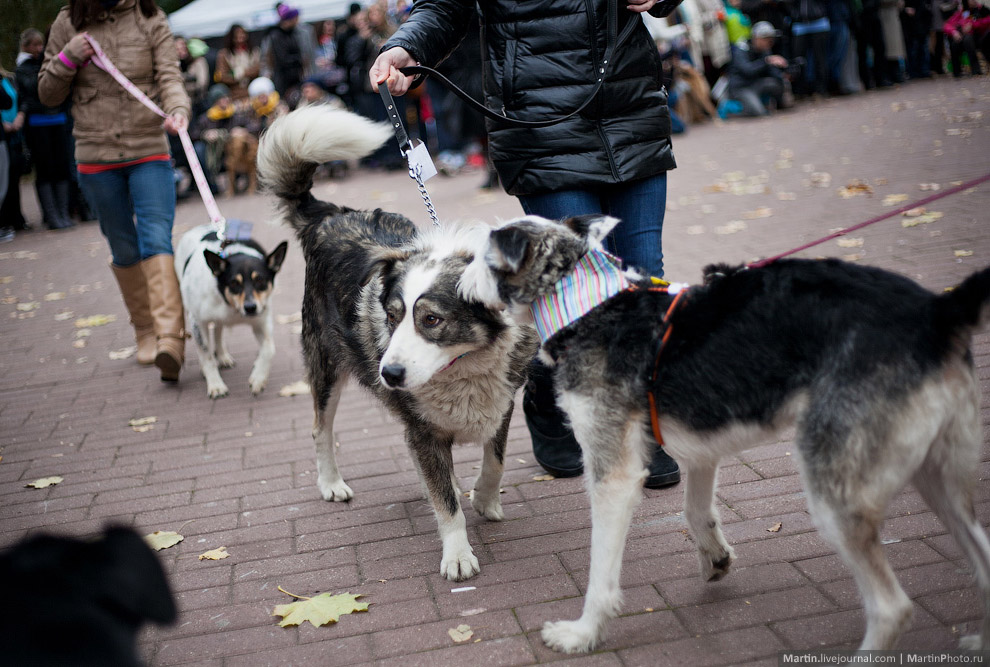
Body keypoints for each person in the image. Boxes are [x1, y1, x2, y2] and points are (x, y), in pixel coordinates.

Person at [371, 0, 684, 488]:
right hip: (540, 127)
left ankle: (639, 419)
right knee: (578, 295)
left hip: (630, 109)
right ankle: (552, 396)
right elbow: (445, 6)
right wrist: (404, 47)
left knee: (646, 277)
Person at [39, 0, 191, 381]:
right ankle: (145, 331)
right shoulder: (66, 22)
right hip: (95, 156)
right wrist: (67, 58)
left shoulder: (150, 17)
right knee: (123, 245)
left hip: (148, 150)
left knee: (156, 237)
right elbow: (47, 93)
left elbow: (169, 76)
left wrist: (178, 108)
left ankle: (170, 339)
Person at [16, 28, 75, 231]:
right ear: (26, 47)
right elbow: (36, 89)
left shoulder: (49, 62)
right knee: (46, 169)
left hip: (58, 120)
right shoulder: (23, 68)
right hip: (37, 124)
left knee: (62, 167)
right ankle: (51, 215)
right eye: (35, 45)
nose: (40, 48)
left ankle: (63, 212)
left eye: (41, 44)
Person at [727, 20, 792, 115]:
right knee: (758, 112)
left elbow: (771, 70)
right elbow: (748, 70)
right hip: (741, 87)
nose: (770, 42)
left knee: (777, 83)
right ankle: (729, 107)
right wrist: (766, 61)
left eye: (771, 39)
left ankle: (778, 103)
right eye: (766, 39)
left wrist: (784, 75)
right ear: (756, 38)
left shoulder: (765, 50)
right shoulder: (741, 49)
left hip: (756, 83)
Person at [1, 60, 29, 233]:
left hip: (15, 134)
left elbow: (14, 101)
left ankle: (15, 218)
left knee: (12, 177)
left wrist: (21, 115)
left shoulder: (9, 78)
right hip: (3, 131)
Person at [214, 24, 261, 101]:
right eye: (237, 35)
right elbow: (221, 76)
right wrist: (234, 76)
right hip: (233, 94)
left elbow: (258, 68)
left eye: (242, 34)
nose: (240, 37)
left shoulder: (254, 52)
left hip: (253, 91)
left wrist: (243, 72)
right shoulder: (224, 54)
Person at [943, 0, 990, 76]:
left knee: (967, 40)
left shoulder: (983, 9)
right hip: (965, 37)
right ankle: (957, 72)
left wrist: (973, 25)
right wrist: (954, 32)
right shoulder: (964, 11)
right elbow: (947, 24)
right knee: (955, 43)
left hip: (981, 37)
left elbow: (987, 21)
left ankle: (976, 70)